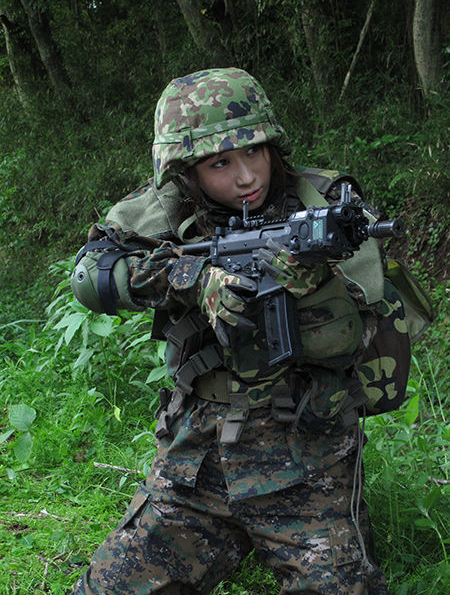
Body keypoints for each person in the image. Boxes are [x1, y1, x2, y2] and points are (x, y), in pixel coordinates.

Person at [69, 67, 416, 595]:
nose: (247, 175)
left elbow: (365, 326)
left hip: (308, 456)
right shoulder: (165, 207)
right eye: (220, 163)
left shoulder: (325, 205)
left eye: (254, 151)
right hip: (197, 459)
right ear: (184, 170)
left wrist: (318, 288)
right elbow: (90, 276)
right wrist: (190, 279)